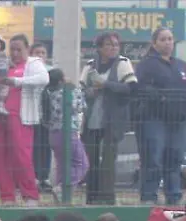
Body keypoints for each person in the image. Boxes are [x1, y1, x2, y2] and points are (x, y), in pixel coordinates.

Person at [0, 35, 48, 205]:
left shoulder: (33, 63)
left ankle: (30, 196)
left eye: (19, 49)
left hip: (19, 116)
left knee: (21, 156)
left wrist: (16, 81)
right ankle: (7, 197)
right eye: (12, 49)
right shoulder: (4, 64)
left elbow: (44, 79)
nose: (14, 53)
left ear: (27, 49)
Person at [80, 32, 136, 205]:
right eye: (108, 44)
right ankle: (91, 196)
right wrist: (91, 91)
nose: (113, 48)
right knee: (91, 159)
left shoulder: (123, 63)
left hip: (112, 119)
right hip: (92, 119)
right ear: (99, 48)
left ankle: (107, 198)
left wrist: (106, 85)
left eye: (116, 44)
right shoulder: (90, 66)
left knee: (109, 159)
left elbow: (130, 88)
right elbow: (81, 90)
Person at [135, 27, 186, 205]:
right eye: (163, 39)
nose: (167, 42)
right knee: (153, 159)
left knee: (175, 159)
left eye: (170, 39)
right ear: (154, 43)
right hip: (154, 118)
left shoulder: (180, 65)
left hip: (178, 121)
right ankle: (149, 196)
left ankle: (174, 196)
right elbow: (140, 87)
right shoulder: (147, 64)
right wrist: (161, 97)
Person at [44, 69, 89, 192]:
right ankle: (64, 188)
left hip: (53, 133)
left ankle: (60, 186)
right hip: (68, 132)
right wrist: (73, 87)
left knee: (62, 165)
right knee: (81, 164)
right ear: (60, 80)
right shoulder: (68, 92)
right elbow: (80, 106)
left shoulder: (48, 94)